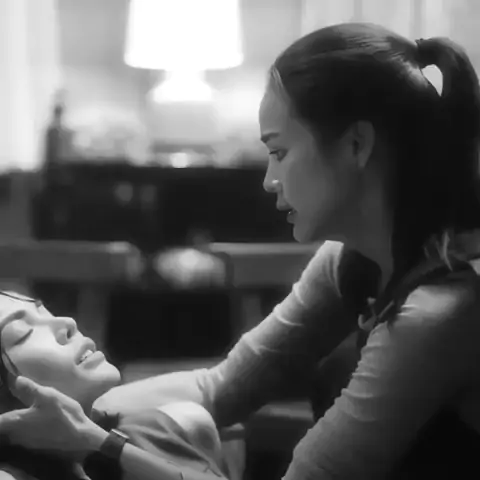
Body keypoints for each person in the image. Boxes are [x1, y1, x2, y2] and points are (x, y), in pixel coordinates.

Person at [3, 21, 480, 479]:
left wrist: (96, 441)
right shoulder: (351, 258)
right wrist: (77, 411)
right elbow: (222, 388)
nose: (269, 180)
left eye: (279, 152)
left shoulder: (438, 311)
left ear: (356, 144)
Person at [0, 290, 228, 480]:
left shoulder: (165, 429)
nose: (67, 323)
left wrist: (98, 441)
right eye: (22, 333)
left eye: (45, 312)